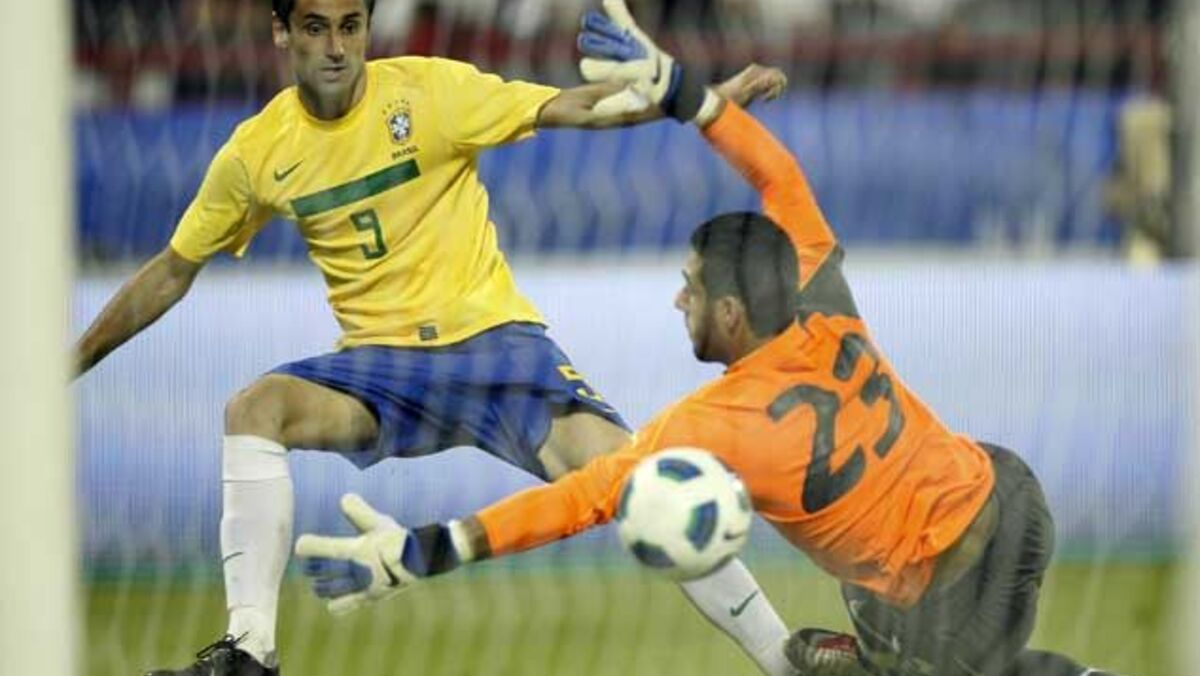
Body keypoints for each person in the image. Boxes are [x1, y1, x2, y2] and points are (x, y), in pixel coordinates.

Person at [294, 4, 1115, 675]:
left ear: (729, 313)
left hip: (952, 574)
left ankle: (871, 662)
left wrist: (428, 549)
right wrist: (681, 89)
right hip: (1008, 500)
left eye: (690, 286)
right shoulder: (817, 291)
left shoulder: (714, 426)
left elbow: (577, 501)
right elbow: (778, 176)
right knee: (942, 652)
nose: (677, 298)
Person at [73, 0, 798, 673]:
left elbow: (576, 105)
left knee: (648, 485)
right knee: (254, 410)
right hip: (382, 373)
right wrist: (68, 361)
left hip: (496, 351)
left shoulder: (428, 91)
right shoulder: (257, 153)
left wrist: (707, 102)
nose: (336, 47)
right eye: (317, 27)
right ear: (281, 31)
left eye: (351, 25)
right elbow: (172, 270)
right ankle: (250, 651)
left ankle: (785, 659)